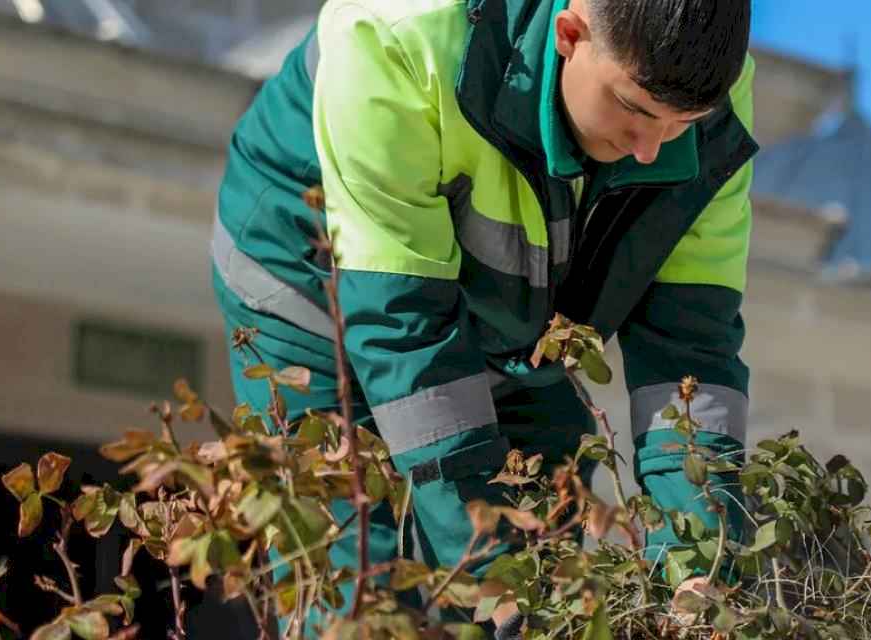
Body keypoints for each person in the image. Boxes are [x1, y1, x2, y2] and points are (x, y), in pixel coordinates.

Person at [210, 0, 755, 634]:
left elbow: (691, 348)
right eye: (633, 108)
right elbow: (404, 333)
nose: (651, 149)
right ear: (571, 34)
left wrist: (699, 564)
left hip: (514, 315)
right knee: (357, 591)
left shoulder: (712, 81)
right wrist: (495, 576)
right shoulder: (401, 34)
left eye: (683, 123)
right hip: (317, 294)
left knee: (545, 556)